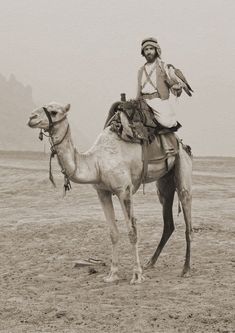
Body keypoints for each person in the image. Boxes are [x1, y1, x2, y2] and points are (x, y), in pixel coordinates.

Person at [137, 37, 193, 131]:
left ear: (156, 50)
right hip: (143, 102)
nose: (149, 52)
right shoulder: (140, 70)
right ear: (143, 52)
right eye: (146, 49)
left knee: (167, 122)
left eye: (151, 49)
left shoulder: (164, 67)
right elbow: (138, 89)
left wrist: (177, 88)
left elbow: (172, 86)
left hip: (159, 101)